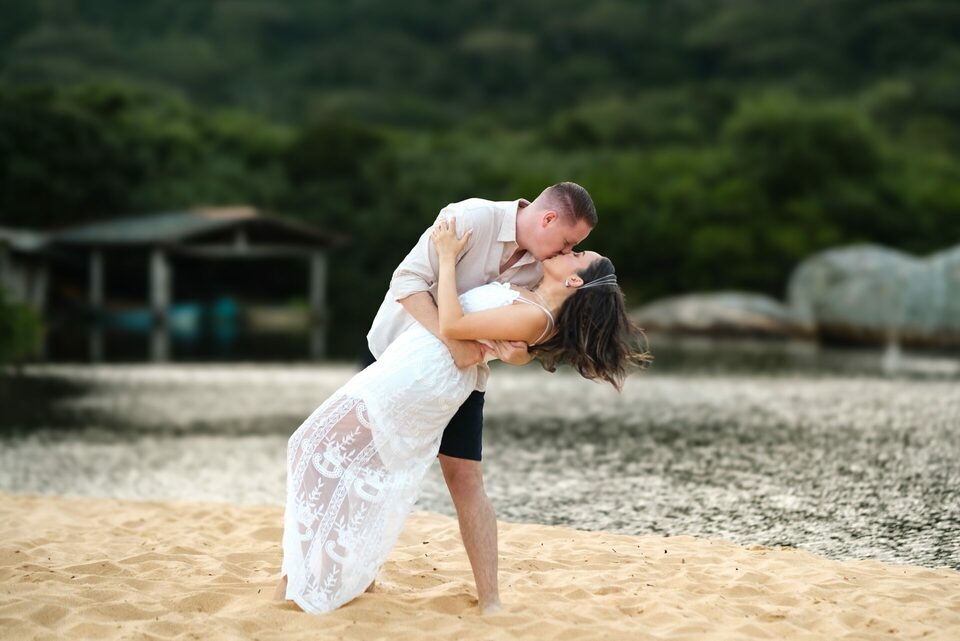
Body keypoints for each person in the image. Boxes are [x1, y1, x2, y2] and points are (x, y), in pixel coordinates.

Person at [273, 216, 650, 615]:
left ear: (575, 282)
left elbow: (454, 324)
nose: (567, 251)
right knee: (338, 456)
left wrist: (449, 258)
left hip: (423, 376)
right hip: (416, 363)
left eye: (578, 253)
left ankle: (310, 578)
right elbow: (495, 338)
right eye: (573, 243)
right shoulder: (531, 295)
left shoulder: (537, 315)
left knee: (316, 445)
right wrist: (513, 353)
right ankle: (316, 574)